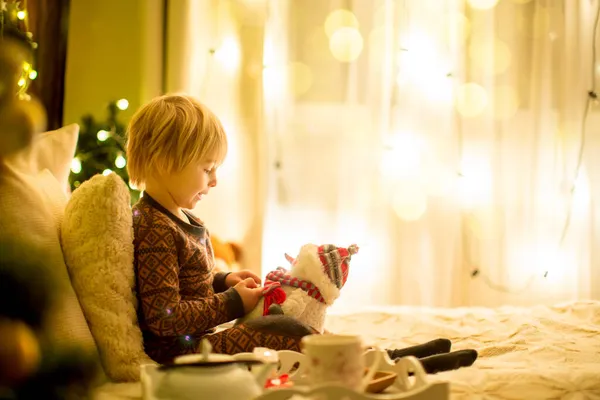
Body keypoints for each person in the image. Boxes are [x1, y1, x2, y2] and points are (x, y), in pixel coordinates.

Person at [126, 94, 478, 374]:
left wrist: (225, 280)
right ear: (163, 160)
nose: (214, 181)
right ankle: (381, 364)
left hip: (197, 341)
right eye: (207, 169)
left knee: (288, 320)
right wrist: (233, 303)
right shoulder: (154, 227)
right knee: (282, 332)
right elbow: (164, 317)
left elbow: (189, 282)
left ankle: (381, 357)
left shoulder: (178, 218)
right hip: (182, 357)